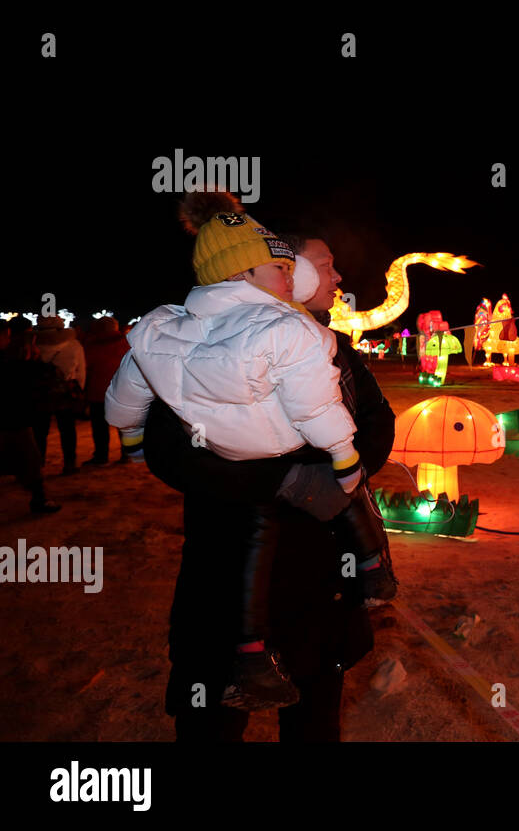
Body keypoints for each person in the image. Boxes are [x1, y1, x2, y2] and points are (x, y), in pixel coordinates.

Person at [107, 189, 395, 710]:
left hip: (321, 573)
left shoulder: (335, 348)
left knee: (317, 707)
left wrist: (340, 477)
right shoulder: (192, 346)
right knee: (214, 714)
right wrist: (284, 480)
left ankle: (372, 566)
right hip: (226, 575)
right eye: (322, 265)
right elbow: (171, 452)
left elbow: (377, 424)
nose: (337, 278)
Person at [0, 319, 61, 514]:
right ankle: (39, 499)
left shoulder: (11, 358)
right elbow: (43, 377)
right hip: (12, 422)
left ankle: (39, 497)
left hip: (13, 419)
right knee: (29, 460)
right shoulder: (13, 362)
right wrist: (33, 361)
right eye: (5, 336)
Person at [33, 315, 85, 475]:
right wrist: (79, 389)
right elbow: (81, 370)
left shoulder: (34, 343)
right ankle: (70, 463)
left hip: (40, 392)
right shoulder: (73, 344)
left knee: (40, 430)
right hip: (65, 392)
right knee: (67, 430)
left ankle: (38, 463)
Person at [82, 316, 131, 466]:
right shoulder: (127, 343)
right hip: (122, 391)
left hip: (98, 391)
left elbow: (87, 367)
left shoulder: (92, 346)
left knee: (99, 427)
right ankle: (127, 454)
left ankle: (101, 456)